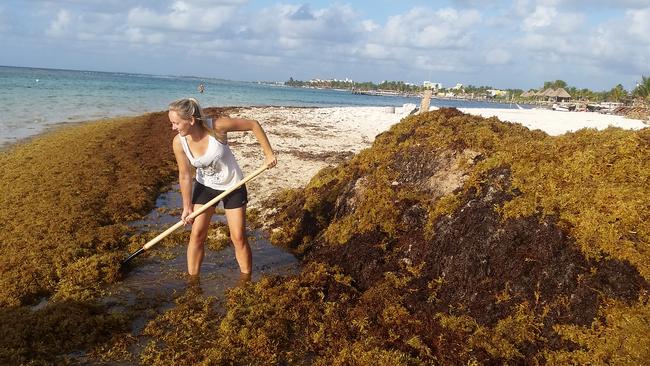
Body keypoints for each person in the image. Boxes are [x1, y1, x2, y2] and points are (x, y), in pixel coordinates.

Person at [167, 98, 276, 283]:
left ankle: (246, 280)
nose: (173, 127)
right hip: (205, 187)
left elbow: (253, 125)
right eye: (171, 123)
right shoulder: (179, 143)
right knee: (197, 234)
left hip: (232, 185)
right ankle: (193, 282)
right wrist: (186, 207)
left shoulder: (217, 126)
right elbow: (185, 176)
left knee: (238, 236)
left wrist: (268, 154)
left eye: (176, 123)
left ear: (191, 120)